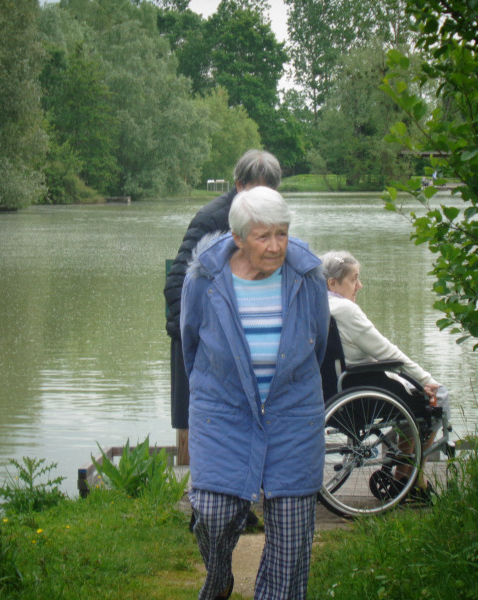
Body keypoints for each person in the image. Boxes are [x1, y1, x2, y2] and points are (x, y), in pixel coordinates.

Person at [181, 187, 329, 600]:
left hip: (292, 413)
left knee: (292, 536)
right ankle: (219, 579)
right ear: (238, 237)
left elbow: (318, 342)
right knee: (211, 513)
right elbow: (190, 343)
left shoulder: (307, 276)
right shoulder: (205, 279)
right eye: (264, 236)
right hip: (224, 412)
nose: (276, 246)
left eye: (282, 234)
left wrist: (291, 390)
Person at [164, 149, 282, 433]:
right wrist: (206, 340)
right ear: (239, 185)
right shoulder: (213, 219)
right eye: (257, 189)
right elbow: (176, 284)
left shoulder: (270, 223)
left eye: (271, 190)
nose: (265, 198)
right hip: (208, 348)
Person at [319, 250, 450, 500]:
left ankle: (403, 470)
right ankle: (409, 476)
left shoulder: (315, 305)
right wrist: (426, 380)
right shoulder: (345, 309)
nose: (360, 285)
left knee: (409, 398)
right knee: (431, 402)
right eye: (354, 279)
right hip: (358, 390)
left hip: (331, 389)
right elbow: (387, 350)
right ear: (332, 283)